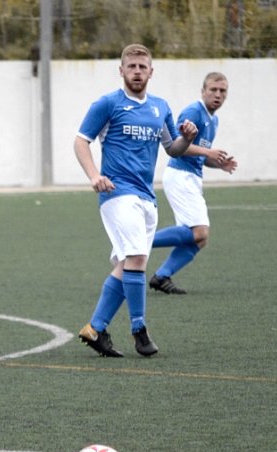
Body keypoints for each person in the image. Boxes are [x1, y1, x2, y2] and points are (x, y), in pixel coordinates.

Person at [73, 44, 198, 358]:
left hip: (146, 197)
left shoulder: (160, 107)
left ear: (151, 72)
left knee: (127, 264)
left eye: (143, 67)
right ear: (121, 71)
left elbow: (173, 148)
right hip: (117, 193)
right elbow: (80, 141)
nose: (137, 72)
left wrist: (189, 138)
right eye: (132, 67)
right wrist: (93, 176)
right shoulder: (108, 104)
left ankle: (95, 328)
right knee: (139, 259)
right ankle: (139, 330)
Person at [149, 72, 238, 294]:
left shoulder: (213, 119)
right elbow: (178, 147)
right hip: (180, 176)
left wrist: (218, 163)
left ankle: (161, 276)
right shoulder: (193, 112)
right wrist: (209, 151)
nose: (218, 95)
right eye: (213, 90)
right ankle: (139, 242)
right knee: (200, 232)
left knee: (198, 240)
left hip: (191, 178)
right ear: (203, 91)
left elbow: (199, 155)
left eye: (222, 91)